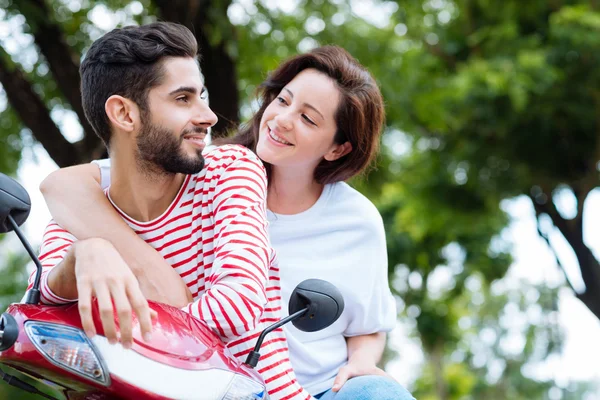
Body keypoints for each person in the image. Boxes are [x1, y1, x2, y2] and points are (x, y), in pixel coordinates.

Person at [40, 44, 415, 399]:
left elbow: (367, 324)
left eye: (307, 118)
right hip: (203, 376)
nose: (282, 120)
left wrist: (361, 365)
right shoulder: (202, 172)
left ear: (337, 147)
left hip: (318, 386)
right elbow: (68, 186)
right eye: (282, 100)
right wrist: (111, 258)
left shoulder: (355, 220)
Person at [30, 22, 312, 400]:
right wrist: (84, 254)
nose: (209, 116)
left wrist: (118, 347)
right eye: (183, 99)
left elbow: (236, 307)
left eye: (203, 96)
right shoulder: (73, 219)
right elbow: (43, 322)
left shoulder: (230, 170)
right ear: (125, 115)